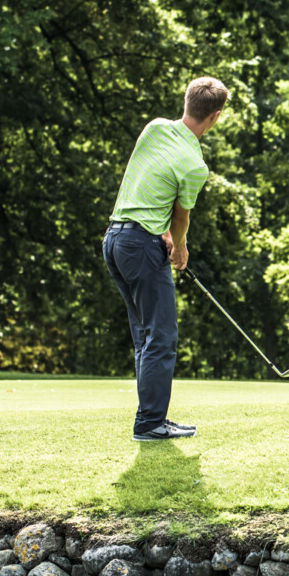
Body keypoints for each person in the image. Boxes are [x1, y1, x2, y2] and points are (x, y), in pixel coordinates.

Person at [103, 77, 227, 440]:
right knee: (161, 336)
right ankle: (150, 423)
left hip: (115, 238)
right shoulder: (194, 165)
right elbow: (181, 217)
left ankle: (152, 417)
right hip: (141, 246)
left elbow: (147, 177)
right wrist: (181, 247)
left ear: (187, 101)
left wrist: (164, 231)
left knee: (146, 335)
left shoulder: (155, 127)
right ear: (215, 116)